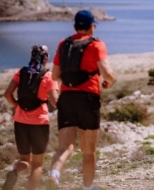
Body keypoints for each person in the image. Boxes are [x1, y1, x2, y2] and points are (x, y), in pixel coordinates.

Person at [46, 10, 115, 190]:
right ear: (92, 27)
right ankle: (88, 187)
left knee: (64, 147)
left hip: (67, 98)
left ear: (75, 26)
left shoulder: (63, 44)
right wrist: (109, 81)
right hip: (88, 99)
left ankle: (54, 176)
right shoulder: (96, 45)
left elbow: (55, 74)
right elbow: (107, 73)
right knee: (88, 151)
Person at [2, 45, 59, 190]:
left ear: (31, 57)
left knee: (24, 161)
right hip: (39, 123)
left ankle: (14, 171)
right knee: (37, 165)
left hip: (20, 122)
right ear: (46, 58)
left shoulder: (21, 72)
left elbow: (7, 94)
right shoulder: (48, 76)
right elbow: (54, 101)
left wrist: (16, 105)